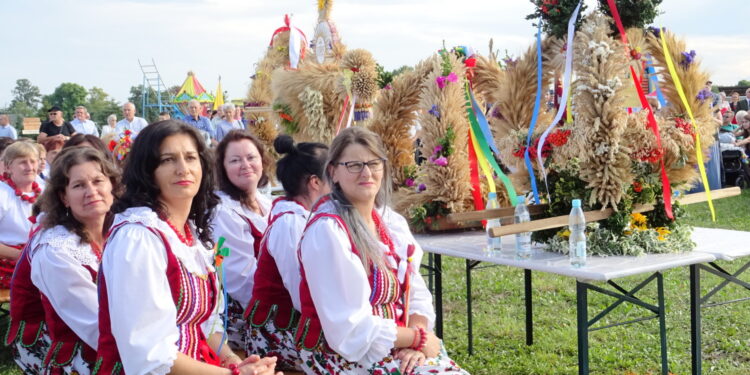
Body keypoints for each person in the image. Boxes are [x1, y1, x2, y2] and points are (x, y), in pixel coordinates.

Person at [95, 120, 279, 375]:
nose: (183, 169)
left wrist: (233, 361)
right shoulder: (137, 238)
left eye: (191, 158)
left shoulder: (189, 234)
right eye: (168, 160)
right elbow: (150, 356)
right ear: (147, 171)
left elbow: (207, 323)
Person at [296, 127, 468, 374]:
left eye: (373, 163)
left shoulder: (389, 222)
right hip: (342, 354)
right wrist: (417, 339)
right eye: (354, 165)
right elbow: (350, 329)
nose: (366, 173)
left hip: (396, 342)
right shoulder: (327, 231)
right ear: (333, 173)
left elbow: (415, 291)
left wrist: (417, 341)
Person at [10, 147, 120, 374]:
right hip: (82, 354)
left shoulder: (122, 230)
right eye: (79, 185)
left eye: (98, 180)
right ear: (64, 197)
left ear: (112, 186)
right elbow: (97, 326)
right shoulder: (56, 250)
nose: (92, 191)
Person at [245, 135, 329, 371]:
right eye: (332, 177)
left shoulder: (301, 216)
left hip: (290, 326)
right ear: (315, 182)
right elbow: (299, 292)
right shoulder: (290, 223)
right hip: (275, 333)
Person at [211, 130, 272, 353]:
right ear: (223, 169)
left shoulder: (266, 203)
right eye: (235, 160)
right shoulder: (223, 212)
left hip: (275, 302)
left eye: (251, 157)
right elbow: (239, 278)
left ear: (262, 161)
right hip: (249, 317)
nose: (245, 165)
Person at [0, 141, 41, 287]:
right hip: (8, 264)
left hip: (40, 257)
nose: (30, 167)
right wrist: (23, 256)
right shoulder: (2, 193)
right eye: (23, 162)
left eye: (33, 161)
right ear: (8, 167)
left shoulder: (45, 190)